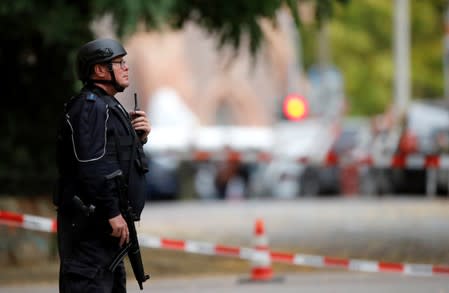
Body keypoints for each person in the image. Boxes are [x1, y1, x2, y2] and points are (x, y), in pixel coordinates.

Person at [54, 38, 151, 292]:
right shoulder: (91, 107)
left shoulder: (107, 105)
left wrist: (137, 139)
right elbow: (93, 164)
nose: (126, 67)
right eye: (119, 62)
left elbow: (111, 156)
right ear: (99, 70)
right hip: (90, 232)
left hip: (105, 234)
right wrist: (111, 212)